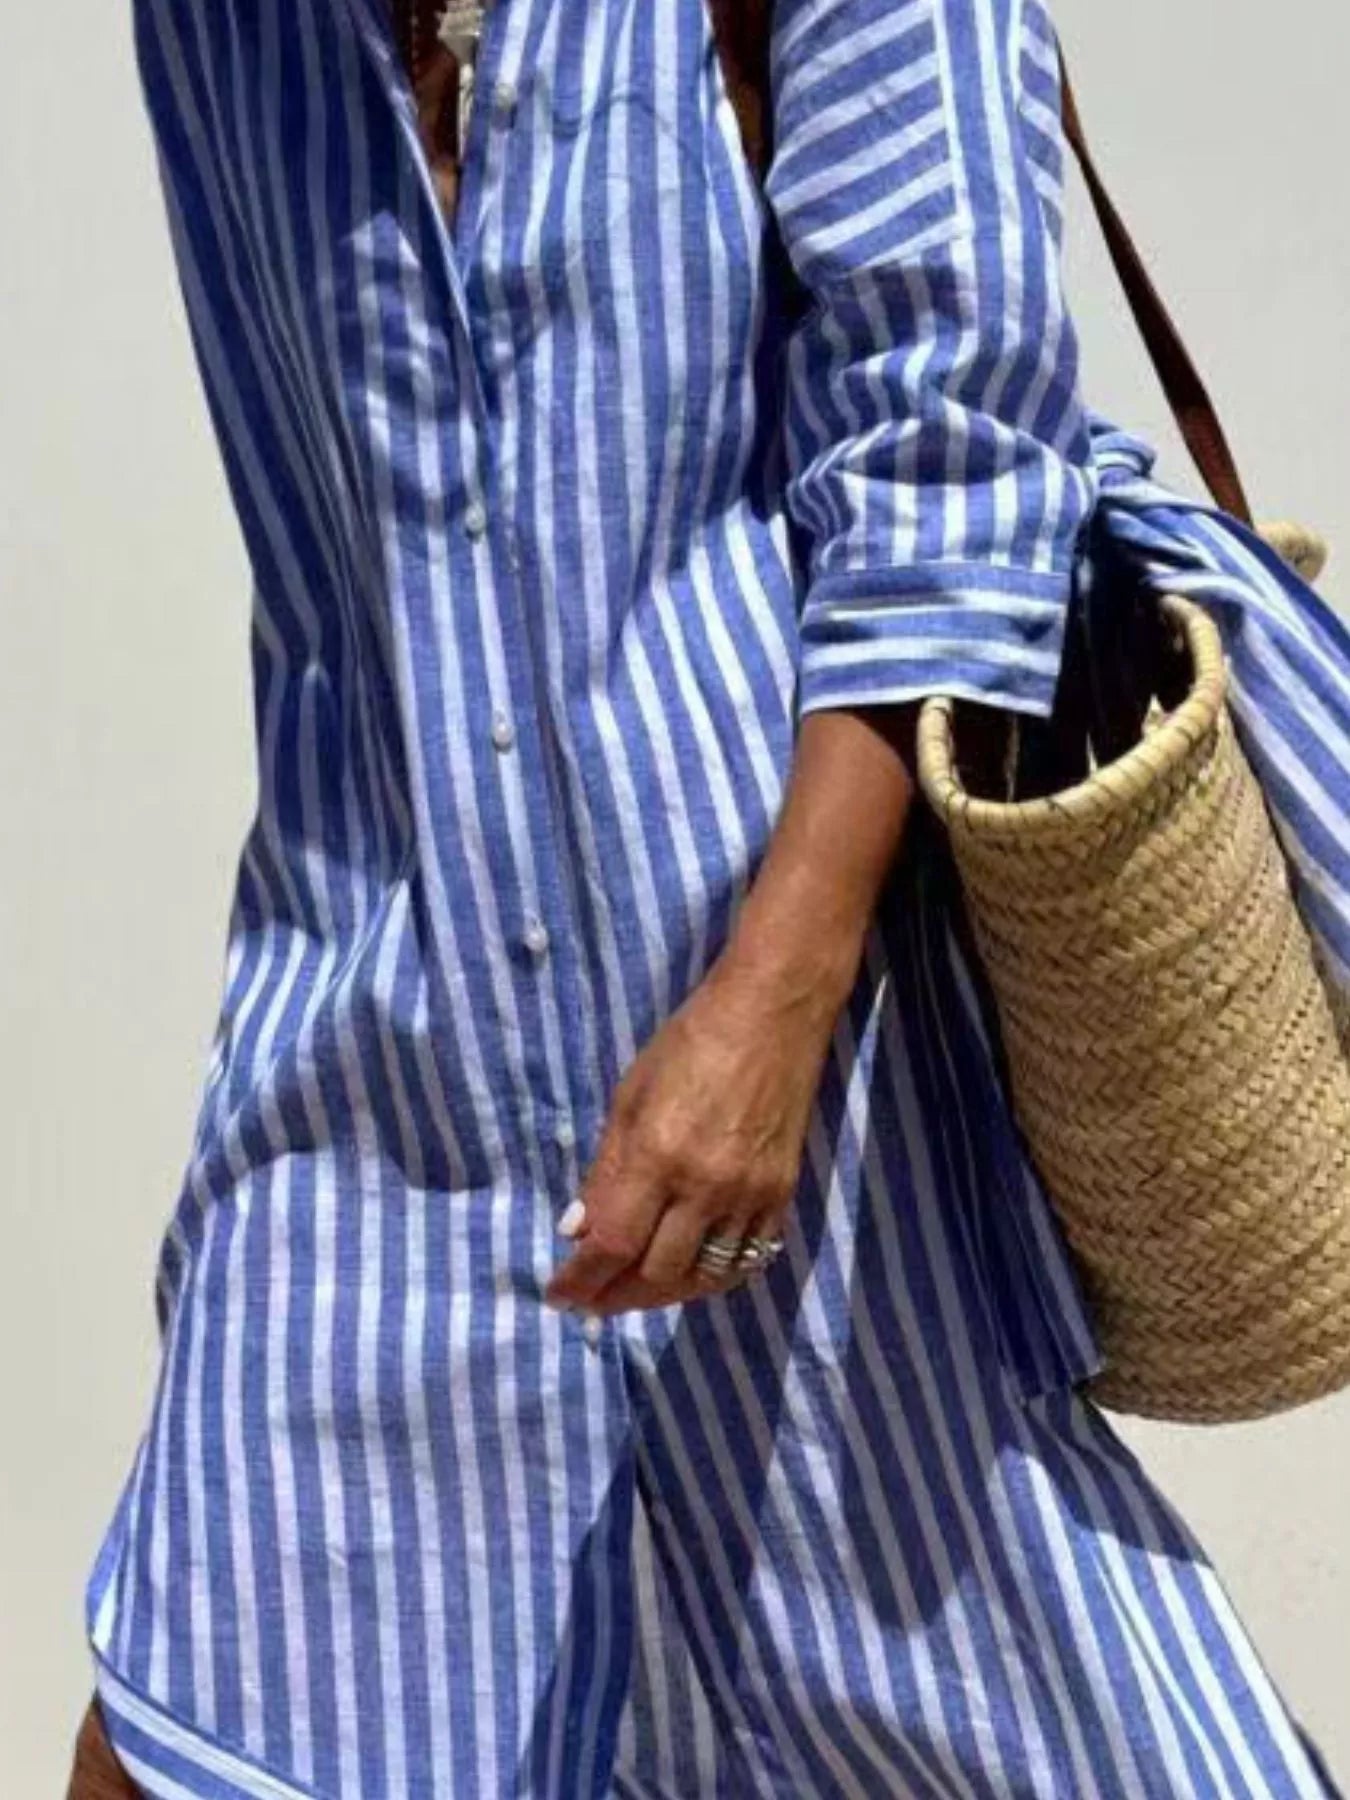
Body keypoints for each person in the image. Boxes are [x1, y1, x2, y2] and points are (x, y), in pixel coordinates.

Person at [67, 0, 1342, 1795]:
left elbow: (954, 451)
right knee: (198, 1710)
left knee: (1020, 1714)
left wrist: (772, 997)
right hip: (375, 1058)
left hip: (824, 1061)